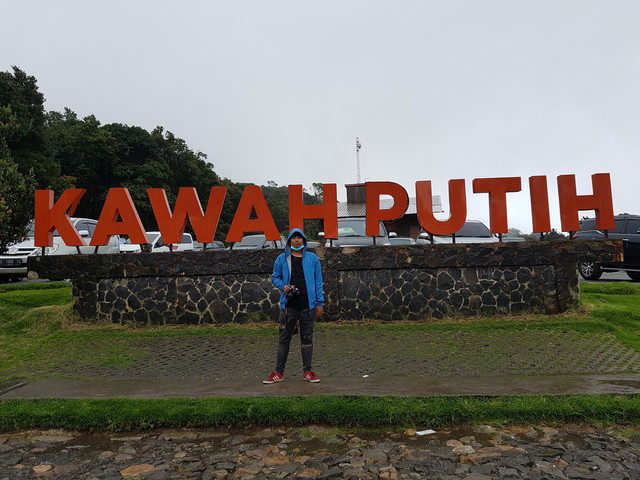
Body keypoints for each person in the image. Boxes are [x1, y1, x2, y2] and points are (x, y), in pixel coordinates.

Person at [264, 228, 324, 384]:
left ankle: (308, 372)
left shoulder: (312, 259)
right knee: (284, 339)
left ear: (304, 241)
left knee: (307, 339)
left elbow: (318, 282)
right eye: (294, 238)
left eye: (300, 238)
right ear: (289, 241)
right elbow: (275, 277)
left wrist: (320, 303)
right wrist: (282, 286)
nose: (297, 240)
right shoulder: (282, 259)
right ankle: (278, 373)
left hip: (308, 306)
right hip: (289, 306)